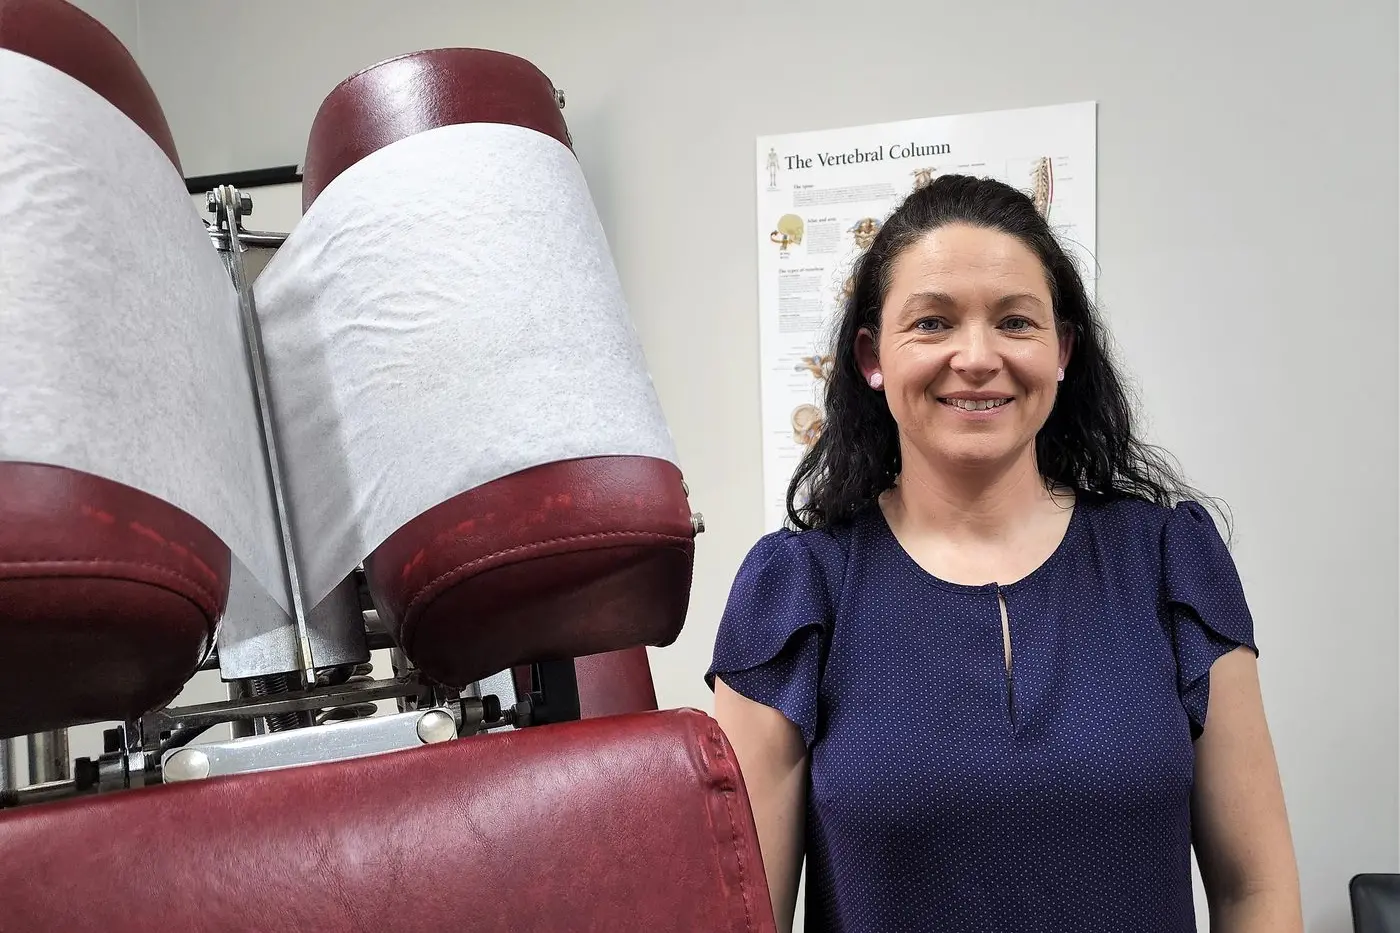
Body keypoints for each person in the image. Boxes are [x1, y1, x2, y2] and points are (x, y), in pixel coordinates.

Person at [706, 174, 1302, 932]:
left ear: (1062, 350)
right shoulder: (795, 592)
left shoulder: (1169, 563)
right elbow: (740, 919)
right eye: (932, 323)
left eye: (1016, 322)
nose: (977, 356)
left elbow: (1258, 891)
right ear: (871, 357)